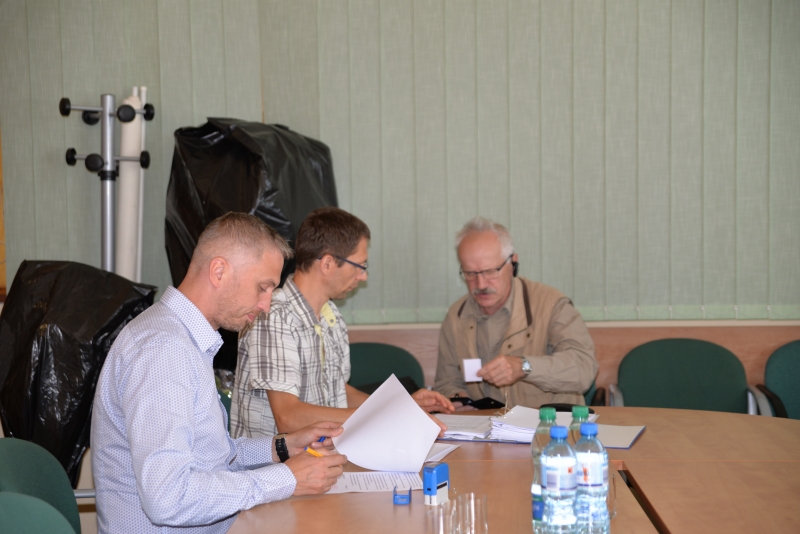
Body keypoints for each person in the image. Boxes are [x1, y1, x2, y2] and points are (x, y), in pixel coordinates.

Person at [91, 212, 348, 534]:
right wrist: (287, 477)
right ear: (219, 271)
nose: (266, 305)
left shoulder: (185, 339)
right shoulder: (163, 350)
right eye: (263, 287)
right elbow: (168, 498)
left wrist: (283, 447)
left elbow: (212, 457)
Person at [231, 207, 453, 438]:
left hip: (324, 453)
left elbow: (338, 391)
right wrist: (388, 416)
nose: (363, 276)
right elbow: (288, 417)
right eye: (360, 266)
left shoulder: (331, 316)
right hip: (278, 460)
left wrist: (399, 407)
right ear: (327, 263)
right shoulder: (273, 315)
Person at [434, 216, 598, 410]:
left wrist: (524, 367)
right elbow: (447, 382)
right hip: (485, 426)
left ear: (513, 263)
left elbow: (584, 369)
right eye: (470, 273)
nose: (481, 284)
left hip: (549, 423)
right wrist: (457, 401)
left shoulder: (552, 305)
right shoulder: (456, 317)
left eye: (490, 271)